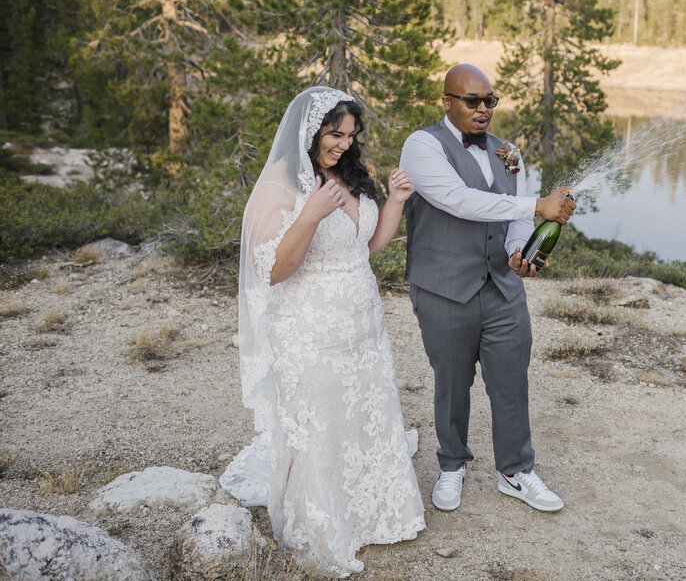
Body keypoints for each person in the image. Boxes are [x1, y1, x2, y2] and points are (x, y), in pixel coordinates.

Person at [224, 87, 424, 577]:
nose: (342, 143)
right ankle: (323, 524)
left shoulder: (349, 175)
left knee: (360, 414)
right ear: (310, 131)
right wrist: (311, 215)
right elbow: (272, 270)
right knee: (322, 423)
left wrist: (396, 199)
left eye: (350, 135)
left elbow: (368, 245)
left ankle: (374, 514)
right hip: (311, 328)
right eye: (335, 134)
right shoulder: (279, 186)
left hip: (363, 325)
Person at [399, 64, 576, 513]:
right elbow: (458, 199)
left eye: (490, 101)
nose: (483, 110)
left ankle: (516, 472)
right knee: (452, 384)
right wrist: (539, 205)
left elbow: (514, 217)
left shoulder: (509, 152)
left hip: (502, 287)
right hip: (443, 287)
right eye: (472, 101)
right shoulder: (422, 146)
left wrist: (519, 250)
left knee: (511, 382)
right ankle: (451, 465)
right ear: (447, 102)